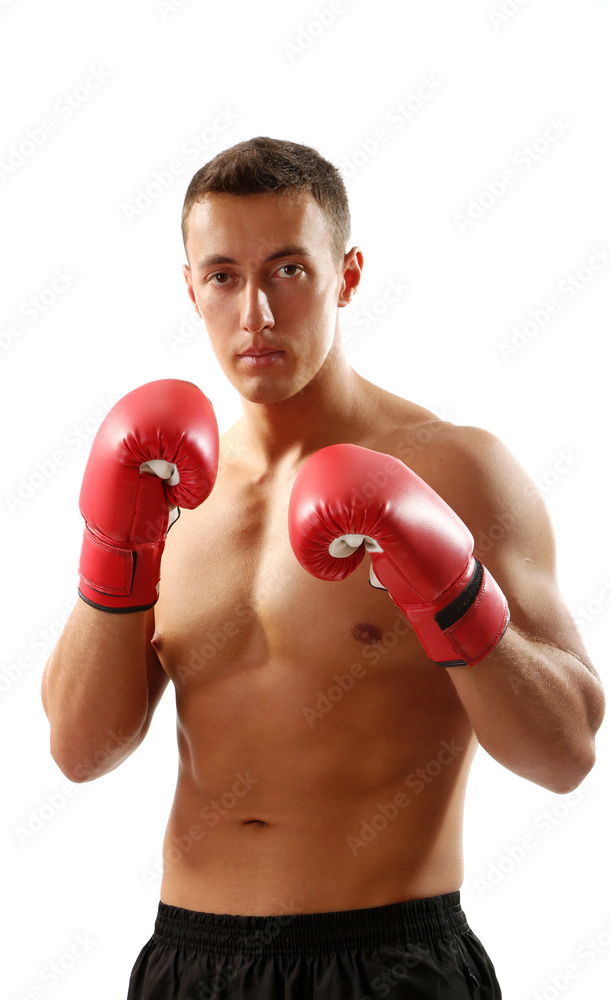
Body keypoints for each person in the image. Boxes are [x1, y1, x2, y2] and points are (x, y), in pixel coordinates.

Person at [41, 137, 605, 999]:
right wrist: (116, 552)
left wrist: (451, 591)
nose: (256, 313)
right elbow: (80, 751)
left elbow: (564, 754)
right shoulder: (166, 489)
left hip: (387, 962)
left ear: (346, 275)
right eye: (224, 275)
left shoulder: (454, 470)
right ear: (190, 289)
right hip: (188, 962)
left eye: (288, 271)